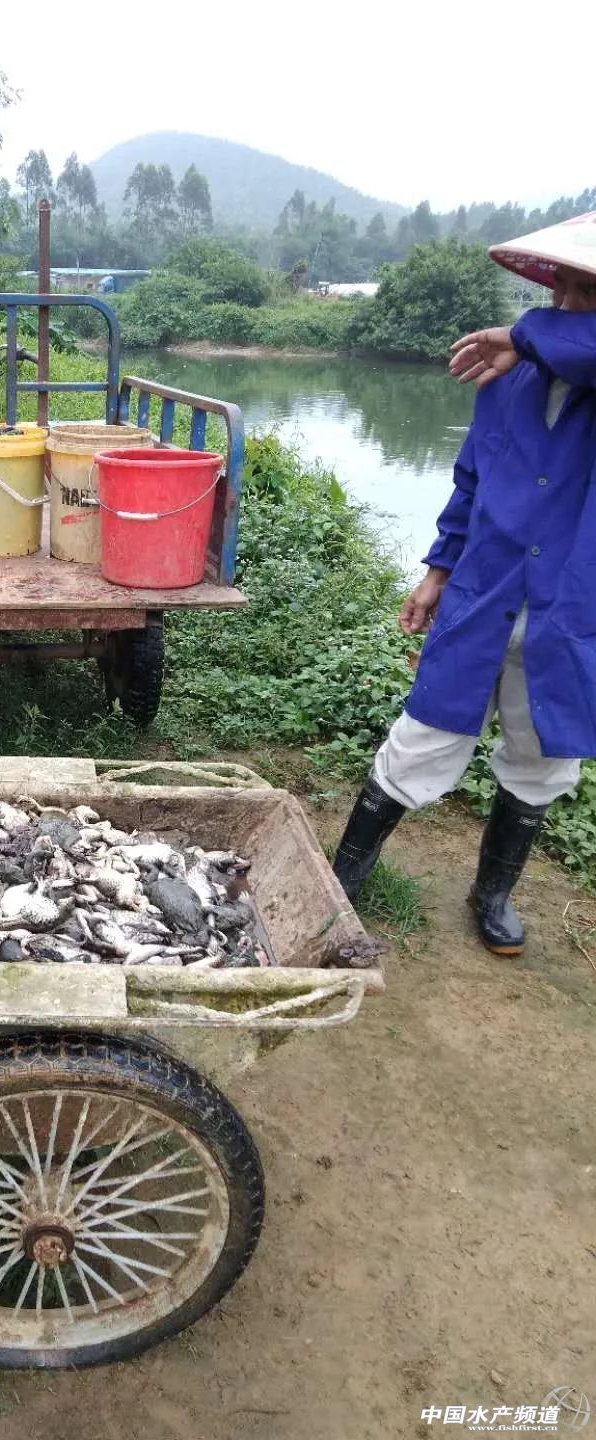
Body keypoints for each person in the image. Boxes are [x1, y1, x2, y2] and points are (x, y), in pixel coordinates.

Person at [332, 212, 596, 954]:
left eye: (588, 293)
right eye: (561, 288)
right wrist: (438, 571)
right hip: (486, 592)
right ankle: (344, 876)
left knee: (541, 757)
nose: (566, 305)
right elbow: (471, 480)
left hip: (571, 609)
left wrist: (521, 333)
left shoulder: (528, 350)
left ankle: (493, 893)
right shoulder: (507, 382)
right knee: (424, 733)